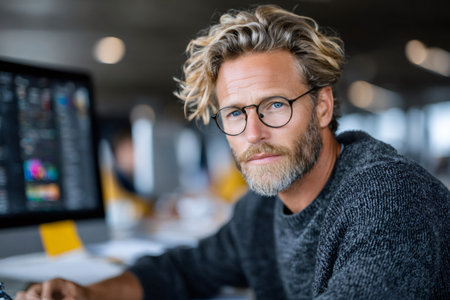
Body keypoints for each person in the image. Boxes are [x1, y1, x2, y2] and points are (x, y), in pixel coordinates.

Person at [15, 5, 449, 300]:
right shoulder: (258, 215)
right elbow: (182, 270)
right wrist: (87, 293)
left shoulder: (387, 198)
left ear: (322, 106)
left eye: (275, 106)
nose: (253, 133)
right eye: (235, 113)